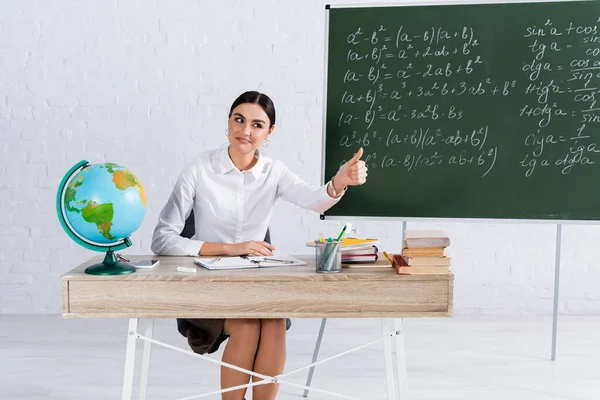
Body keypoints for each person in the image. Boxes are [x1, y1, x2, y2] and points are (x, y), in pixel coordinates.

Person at [151, 90, 368, 400]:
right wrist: (232, 247)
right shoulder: (199, 168)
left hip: (253, 280)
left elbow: (314, 199)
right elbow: (162, 239)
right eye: (239, 120)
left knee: (275, 321)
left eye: (257, 124)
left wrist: (340, 181)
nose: (246, 131)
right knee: (248, 325)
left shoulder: (273, 172)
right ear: (228, 122)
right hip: (205, 285)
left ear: (269, 133)